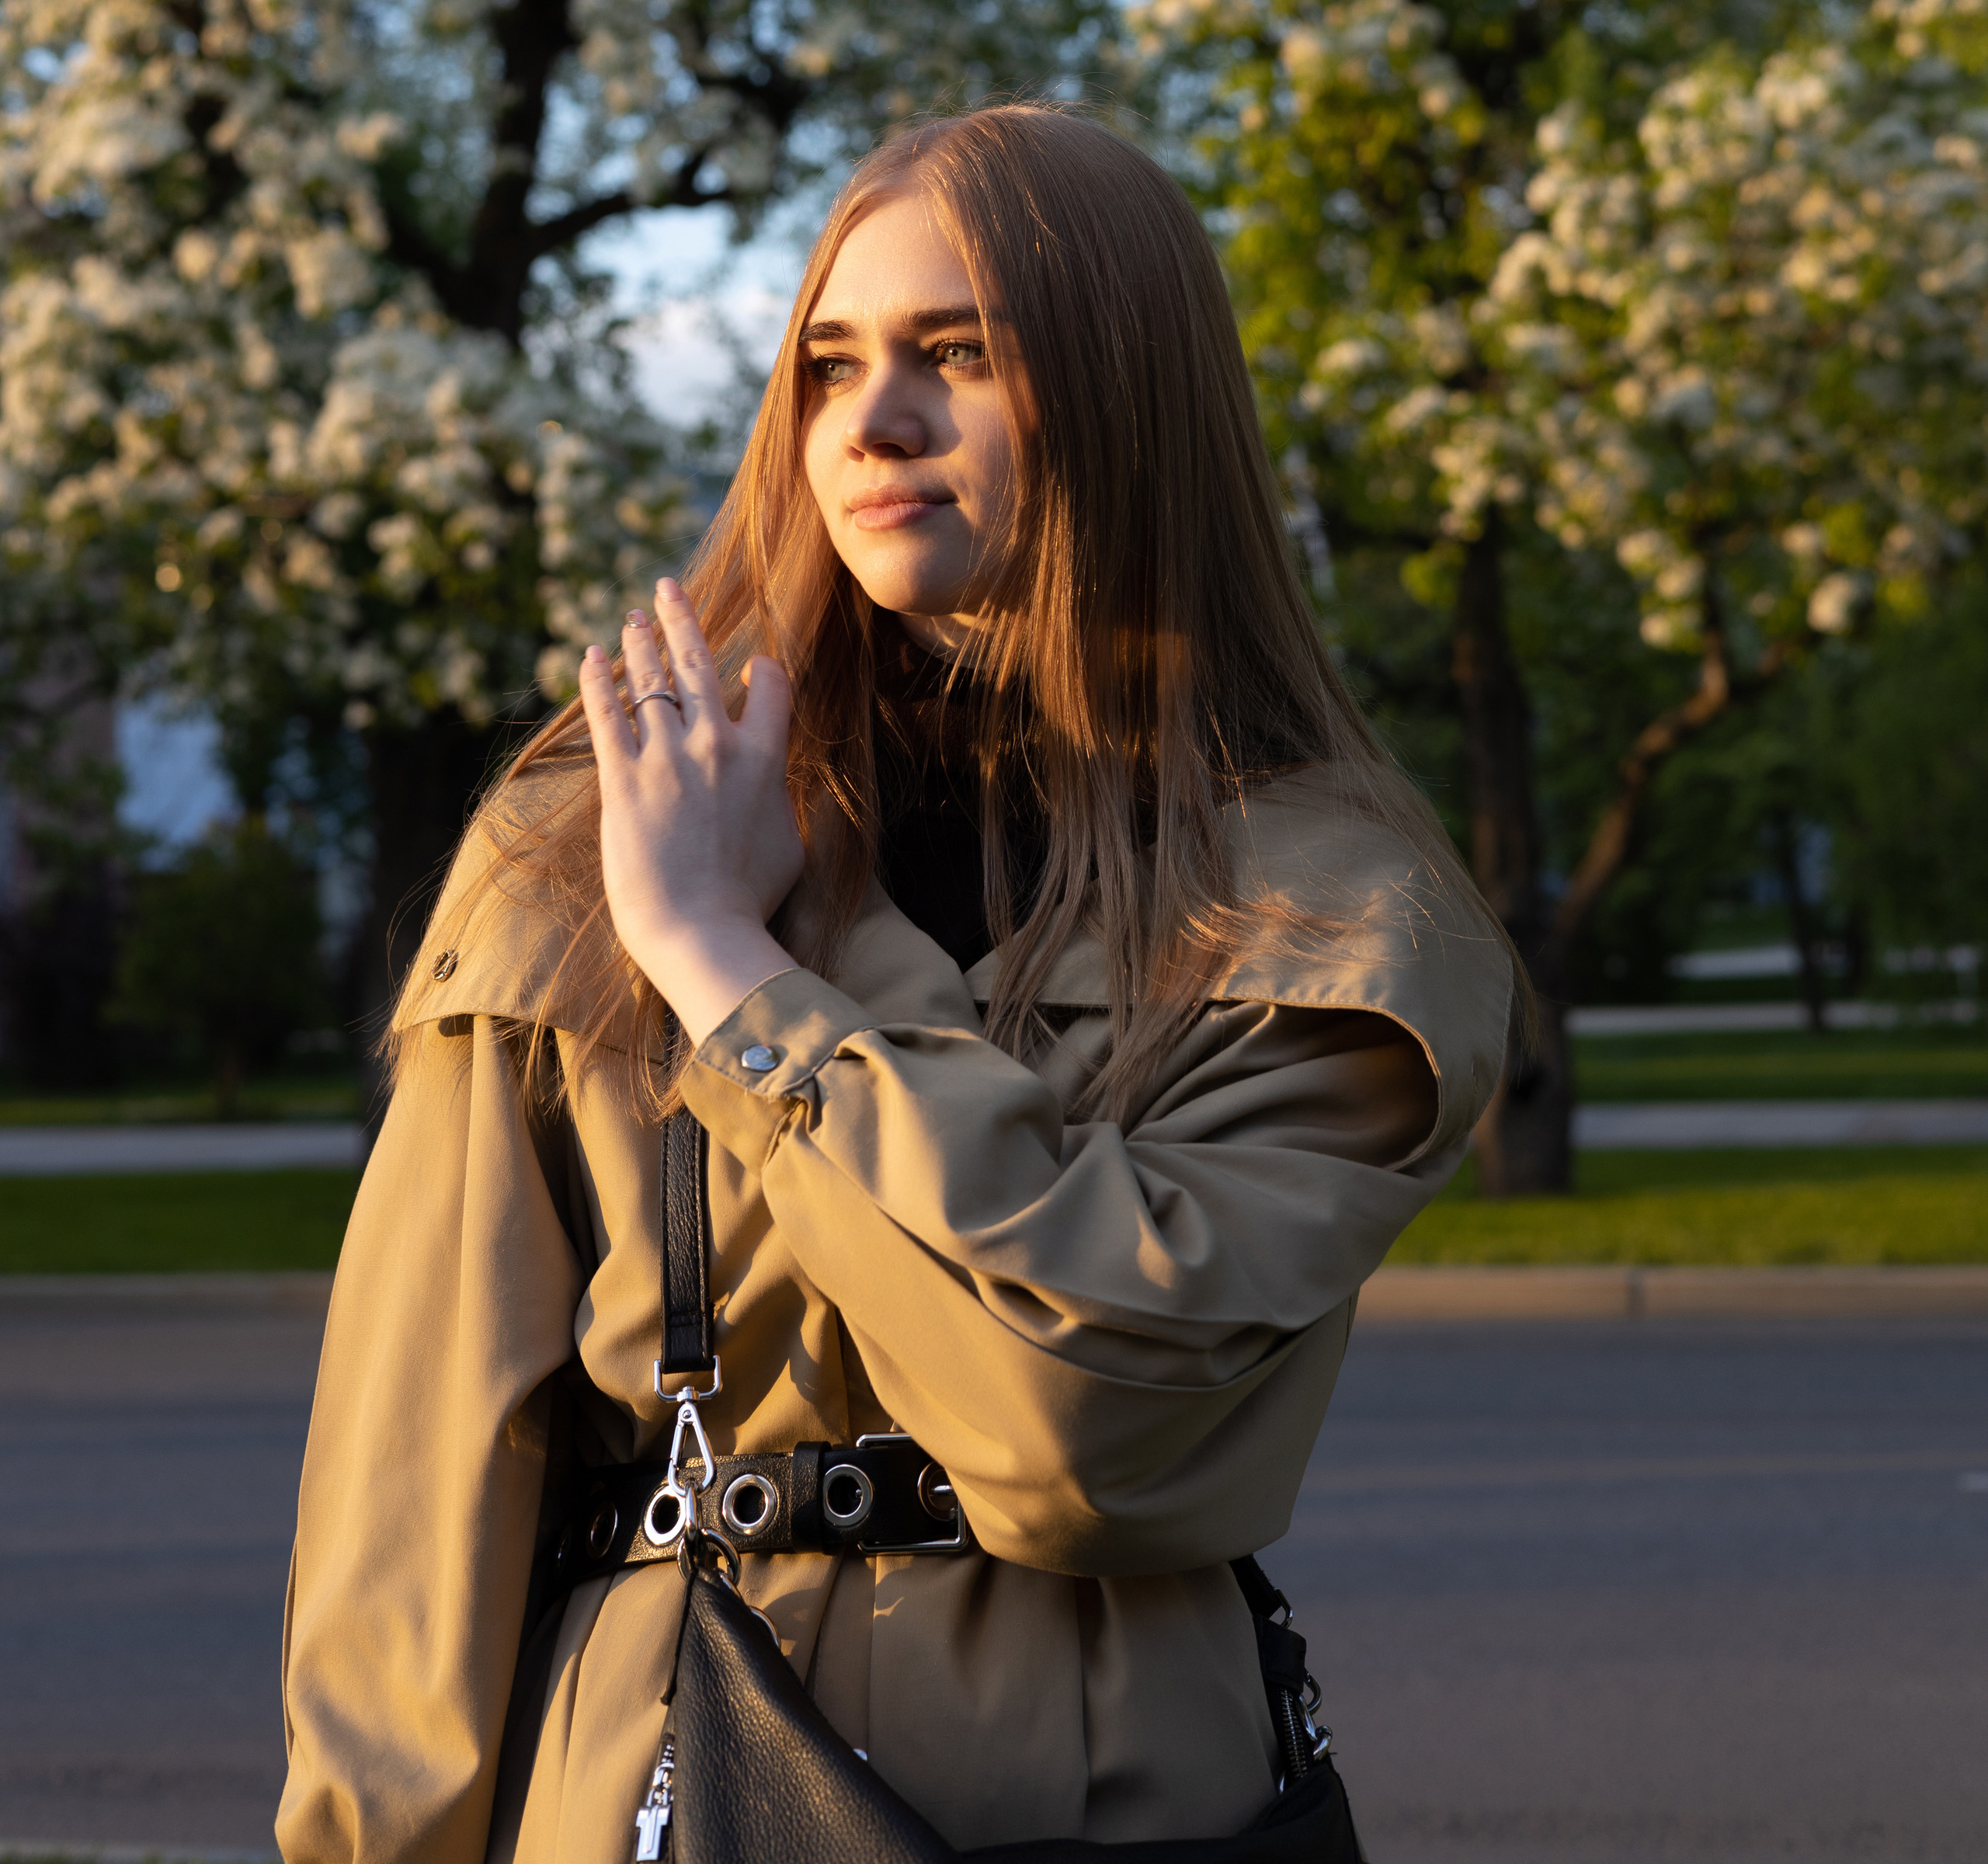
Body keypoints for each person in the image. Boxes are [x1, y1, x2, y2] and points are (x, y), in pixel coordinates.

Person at [276, 105, 1515, 1863]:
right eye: (828, 365)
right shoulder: (586, 836)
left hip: (1133, 1807)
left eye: (959, 353)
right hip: (659, 1779)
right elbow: (414, 1489)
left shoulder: (1327, 909)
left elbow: (1081, 1428)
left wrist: (728, 963)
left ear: (1121, 392)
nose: (874, 423)